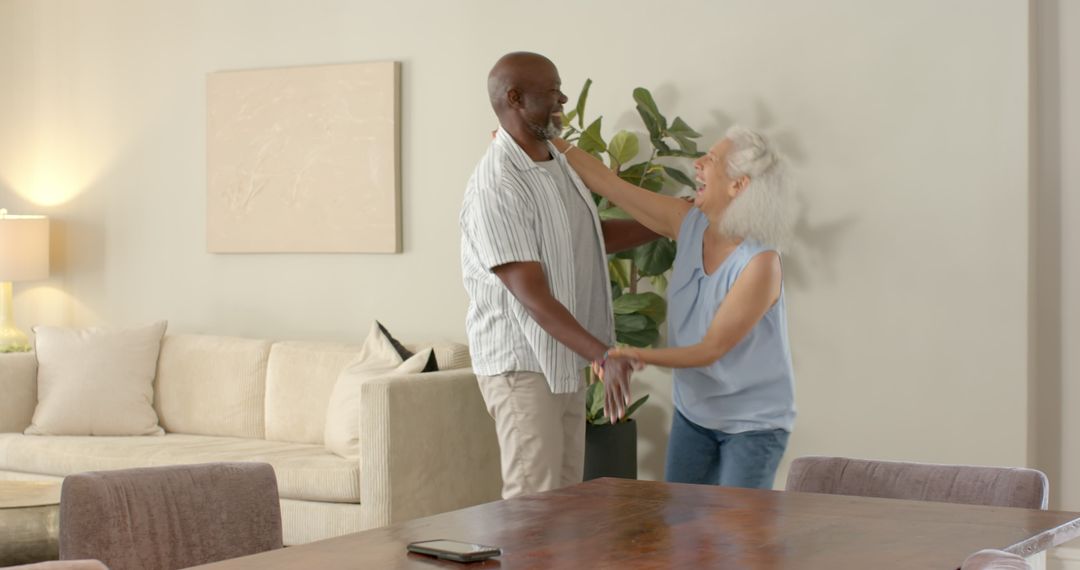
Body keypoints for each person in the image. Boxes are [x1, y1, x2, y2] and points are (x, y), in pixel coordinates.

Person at [553, 125, 796, 489]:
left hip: (753, 425)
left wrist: (633, 354)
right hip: (694, 415)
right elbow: (608, 184)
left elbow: (711, 349)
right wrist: (546, 138)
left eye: (710, 160)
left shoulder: (760, 263)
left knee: (734, 524)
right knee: (682, 521)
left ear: (738, 185)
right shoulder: (687, 223)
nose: (697, 163)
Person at [460, 52, 658, 499]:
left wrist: (671, 221)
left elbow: (590, 237)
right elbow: (530, 294)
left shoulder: (557, 163)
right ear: (515, 98)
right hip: (521, 363)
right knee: (533, 501)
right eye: (552, 91)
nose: (563, 99)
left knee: (566, 502)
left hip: (561, 356)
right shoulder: (497, 184)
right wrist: (602, 355)